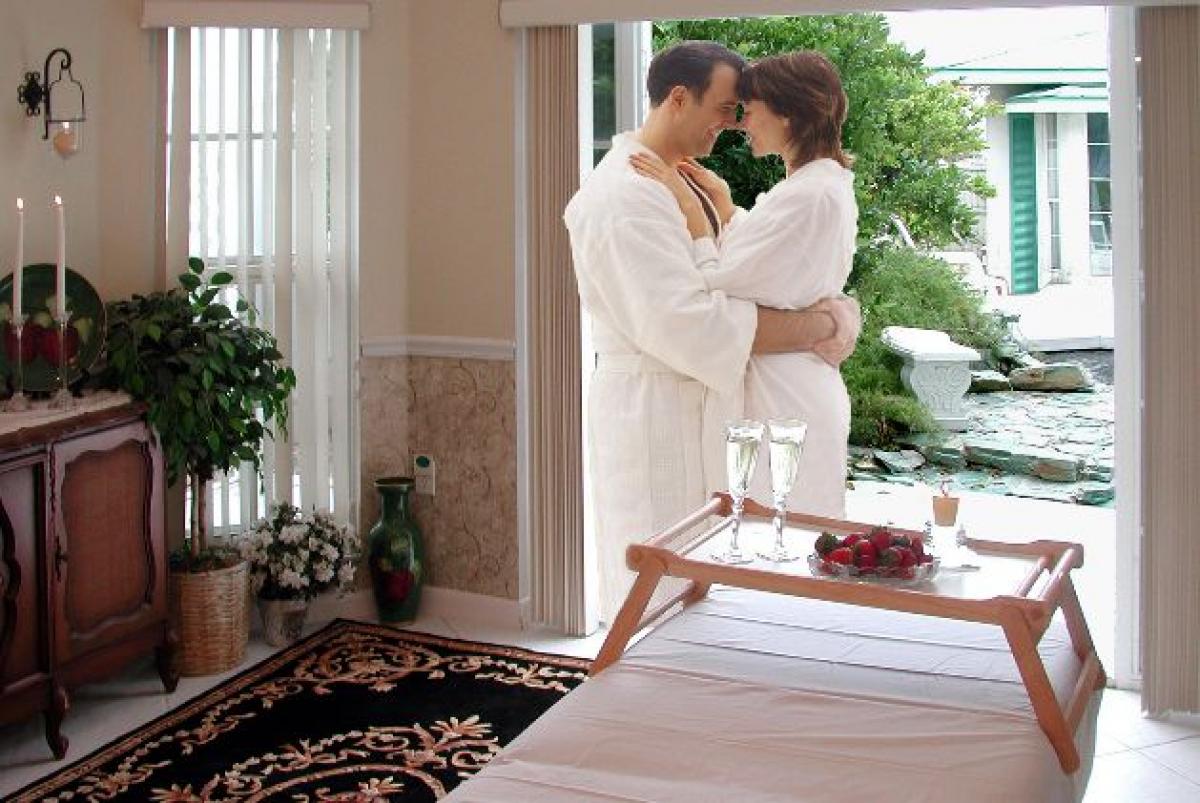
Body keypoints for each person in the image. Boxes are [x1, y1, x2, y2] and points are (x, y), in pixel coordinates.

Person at [564, 41, 861, 622]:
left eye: (741, 110)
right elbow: (693, 323)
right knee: (659, 594)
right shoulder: (624, 196)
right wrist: (822, 324)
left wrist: (830, 313)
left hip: (703, 406)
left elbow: (753, 271)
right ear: (679, 98)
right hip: (654, 410)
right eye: (726, 108)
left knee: (716, 591)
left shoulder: (684, 182)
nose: (733, 122)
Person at [630, 50, 857, 520]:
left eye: (749, 111)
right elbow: (769, 264)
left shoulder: (809, 195)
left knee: (775, 534)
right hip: (790, 386)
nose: (741, 124)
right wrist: (726, 207)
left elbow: (718, 282)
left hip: (784, 400)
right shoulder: (813, 187)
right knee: (774, 529)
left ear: (787, 113)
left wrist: (693, 217)